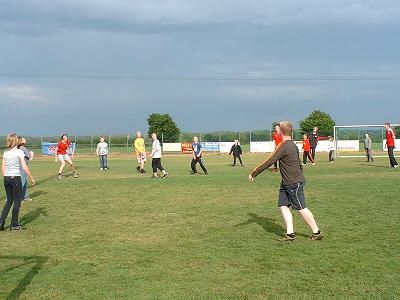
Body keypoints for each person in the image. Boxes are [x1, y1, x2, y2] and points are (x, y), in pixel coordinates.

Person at [248, 121, 324, 241]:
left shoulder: (284, 146)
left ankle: (317, 232)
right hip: (287, 182)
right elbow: (299, 163)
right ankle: (290, 234)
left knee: (301, 208)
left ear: (281, 132)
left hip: (293, 183)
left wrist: (254, 173)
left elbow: (269, 161)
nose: (276, 131)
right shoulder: (292, 144)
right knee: (283, 206)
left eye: (278, 129)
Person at [1, 133, 35, 231]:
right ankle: (14, 225)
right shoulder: (19, 152)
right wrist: (31, 177)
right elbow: (24, 167)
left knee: (9, 201)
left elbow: (3, 168)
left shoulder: (6, 152)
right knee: (17, 201)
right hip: (15, 178)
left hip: (6, 178)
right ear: (16, 141)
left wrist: (7, 177)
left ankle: (1, 223)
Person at [18, 136, 34, 202]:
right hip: (23, 167)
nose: (25, 139)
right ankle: (18, 198)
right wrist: (32, 153)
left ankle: (25, 197)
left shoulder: (18, 148)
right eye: (23, 139)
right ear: (21, 141)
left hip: (19, 166)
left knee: (24, 182)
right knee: (23, 182)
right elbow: (30, 158)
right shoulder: (23, 148)